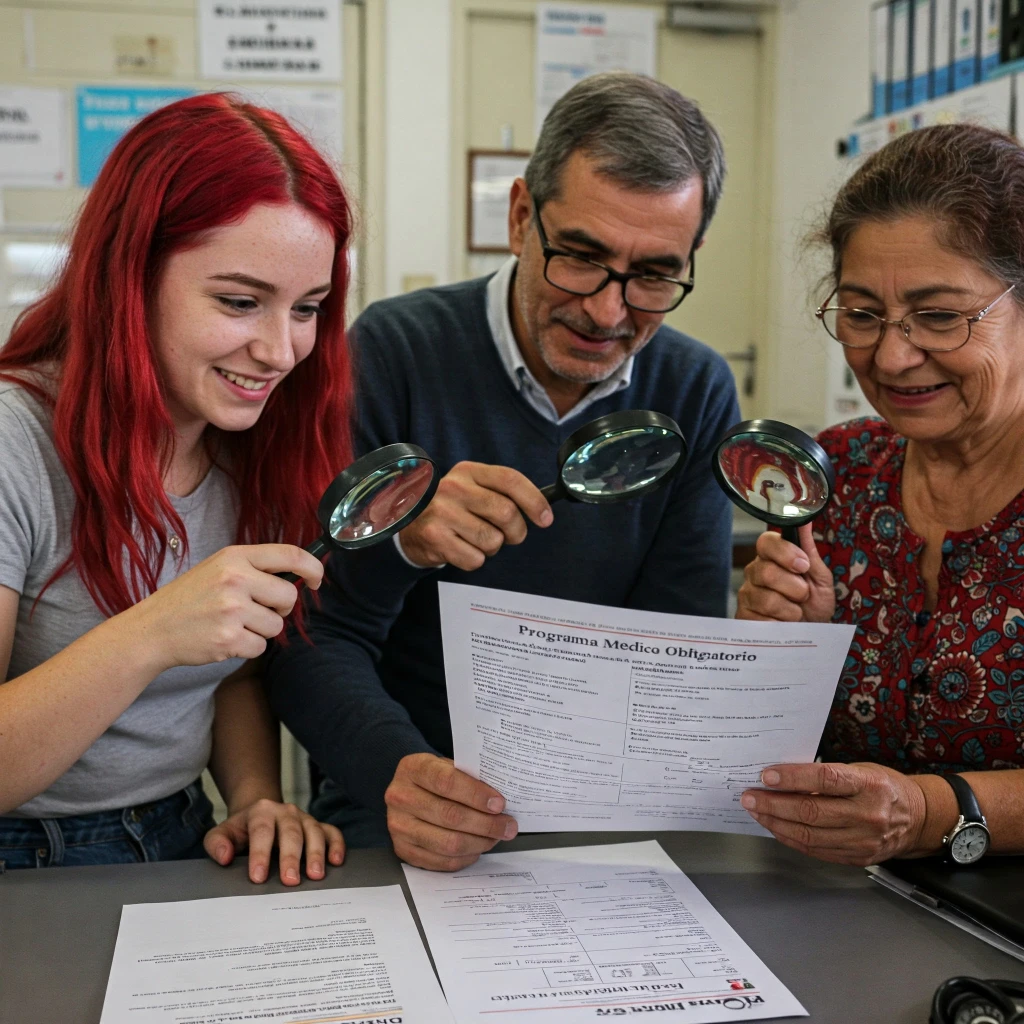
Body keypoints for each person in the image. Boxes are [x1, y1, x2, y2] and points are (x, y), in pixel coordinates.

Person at [267, 72, 742, 871]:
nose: (607, 312)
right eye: (580, 257)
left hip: (604, 809)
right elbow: (313, 634)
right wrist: (399, 776)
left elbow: (674, 652)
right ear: (521, 217)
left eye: (655, 275)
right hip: (399, 797)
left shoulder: (693, 390)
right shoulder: (393, 354)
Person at [0, 93, 352, 882]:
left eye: (309, 309)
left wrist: (257, 797)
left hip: (182, 829)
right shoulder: (13, 442)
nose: (280, 350)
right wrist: (155, 631)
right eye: (238, 302)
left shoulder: (247, 442)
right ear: (130, 275)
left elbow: (230, 676)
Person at [737, 123, 1024, 865]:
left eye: (939, 316)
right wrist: (781, 651)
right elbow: (769, 758)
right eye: (862, 314)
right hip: (837, 911)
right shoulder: (833, 476)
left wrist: (932, 810)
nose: (892, 356)